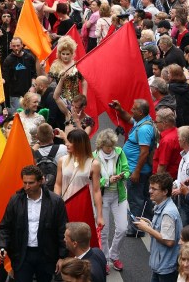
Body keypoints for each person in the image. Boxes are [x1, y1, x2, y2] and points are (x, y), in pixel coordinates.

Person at [0, 165, 68, 282]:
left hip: (46, 255)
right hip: (22, 255)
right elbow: (5, 227)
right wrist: (2, 247)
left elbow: (62, 230)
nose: (27, 186)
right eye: (24, 183)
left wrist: (62, 257)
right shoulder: (15, 200)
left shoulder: (55, 202)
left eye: (31, 183)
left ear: (41, 181)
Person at [111, 98, 155, 235]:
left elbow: (144, 153)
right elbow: (130, 119)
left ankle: (137, 230)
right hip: (137, 169)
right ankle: (147, 223)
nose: (131, 110)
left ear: (141, 112)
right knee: (144, 198)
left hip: (138, 171)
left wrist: (136, 172)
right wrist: (120, 110)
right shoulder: (142, 121)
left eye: (134, 109)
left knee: (136, 200)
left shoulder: (144, 129)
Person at [133, 172, 182, 282]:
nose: (150, 191)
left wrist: (147, 229)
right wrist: (149, 224)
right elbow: (162, 230)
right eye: (150, 188)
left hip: (166, 267)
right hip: (160, 264)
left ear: (165, 192)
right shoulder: (161, 205)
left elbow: (169, 241)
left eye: (154, 189)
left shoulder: (168, 213)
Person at [93, 129, 129, 272]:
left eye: (112, 146)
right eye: (108, 146)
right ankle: (105, 259)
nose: (110, 149)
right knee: (104, 231)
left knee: (123, 228)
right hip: (102, 197)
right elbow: (93, 180)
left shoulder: (119, 153)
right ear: (101, 145)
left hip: (119, 195)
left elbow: (127, 169)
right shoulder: (94, 157)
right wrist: (107, 180)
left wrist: (123, 175)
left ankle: (114, 255)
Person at [54, 129, 104, 227]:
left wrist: (100, 216)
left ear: (80, 144)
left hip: (84, 207)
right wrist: (56, 203)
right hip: (65, 205)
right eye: (67, 141)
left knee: (82, 238)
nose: (67, 144)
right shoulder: (62, 161)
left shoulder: (94, 164)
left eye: (71, 142)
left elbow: (97, 190)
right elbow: (58, 184)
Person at [2, 37, 38, 111]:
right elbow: (5, 78)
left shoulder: (29, 57)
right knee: (17, 116)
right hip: (15, 95)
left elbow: (34, 75)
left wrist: (33, 86)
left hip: (29, 93)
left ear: (22, 45)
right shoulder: (8, 60)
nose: (16, 48)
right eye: (14, 46)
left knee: (29, 115)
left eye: (18, 46)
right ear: (11, 46)